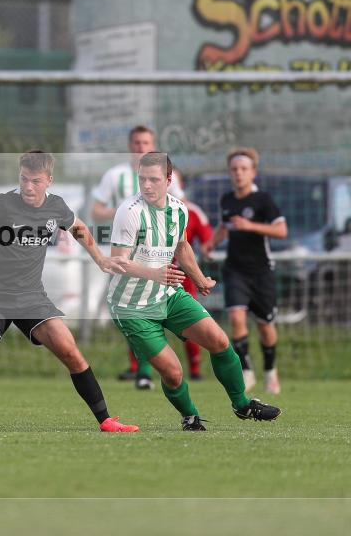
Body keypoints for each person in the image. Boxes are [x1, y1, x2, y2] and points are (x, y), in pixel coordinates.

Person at [0, 150, 138, 433]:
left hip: (32, 298)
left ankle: (105, 420)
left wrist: (101, 259)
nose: (28, 187)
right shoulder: (3, 204)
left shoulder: (56, 207)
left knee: (70, 351)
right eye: (23, 179)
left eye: (35, 181)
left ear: (49, 181)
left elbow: (79, 227)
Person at [107, 152, 281, 431]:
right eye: (142, 180)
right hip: (132, 306)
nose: (147, 186)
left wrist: (199, 278)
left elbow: (182, 246)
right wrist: (155, 273)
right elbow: (117, 262)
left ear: (168, 180)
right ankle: (190, 416)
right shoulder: (129, 212)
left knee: (220, 341)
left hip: (167, 295)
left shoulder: (179, 209)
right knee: (173, 372)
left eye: (154, 180)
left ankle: (242, 405)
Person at [90, 125, 182, 389]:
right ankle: (141, 369)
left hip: (156, 252)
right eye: (137, 142)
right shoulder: (115, 175)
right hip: (125, 252)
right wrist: (125, 214)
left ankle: (145, 370)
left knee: (154, 308)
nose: (141, 146)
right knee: (131, 308)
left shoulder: (167, 175)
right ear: (130, 145)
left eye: (146, 142)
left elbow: (179, 208)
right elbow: (96, 211)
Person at [201, 148, 287, 395]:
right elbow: (225, 227)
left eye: (244, 169)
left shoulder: (264, 201)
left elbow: (281, 231)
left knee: (265, 327)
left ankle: (270, 370)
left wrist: (250, 225)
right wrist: (211, 243)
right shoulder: (227, 200)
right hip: (235, 269)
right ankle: (247, 371)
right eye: (234, 169)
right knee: (237, 318)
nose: (238, 174)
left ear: (253, 173)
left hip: (261, 271)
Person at [167, 171, 211, 381]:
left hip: (181, 278)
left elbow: (203, 240)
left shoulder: (190, 212)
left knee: (193, 324)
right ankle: (142, 373)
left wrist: (207, 247)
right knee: (141, 321)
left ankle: (195, 370)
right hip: (148, 276)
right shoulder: (138, 210)